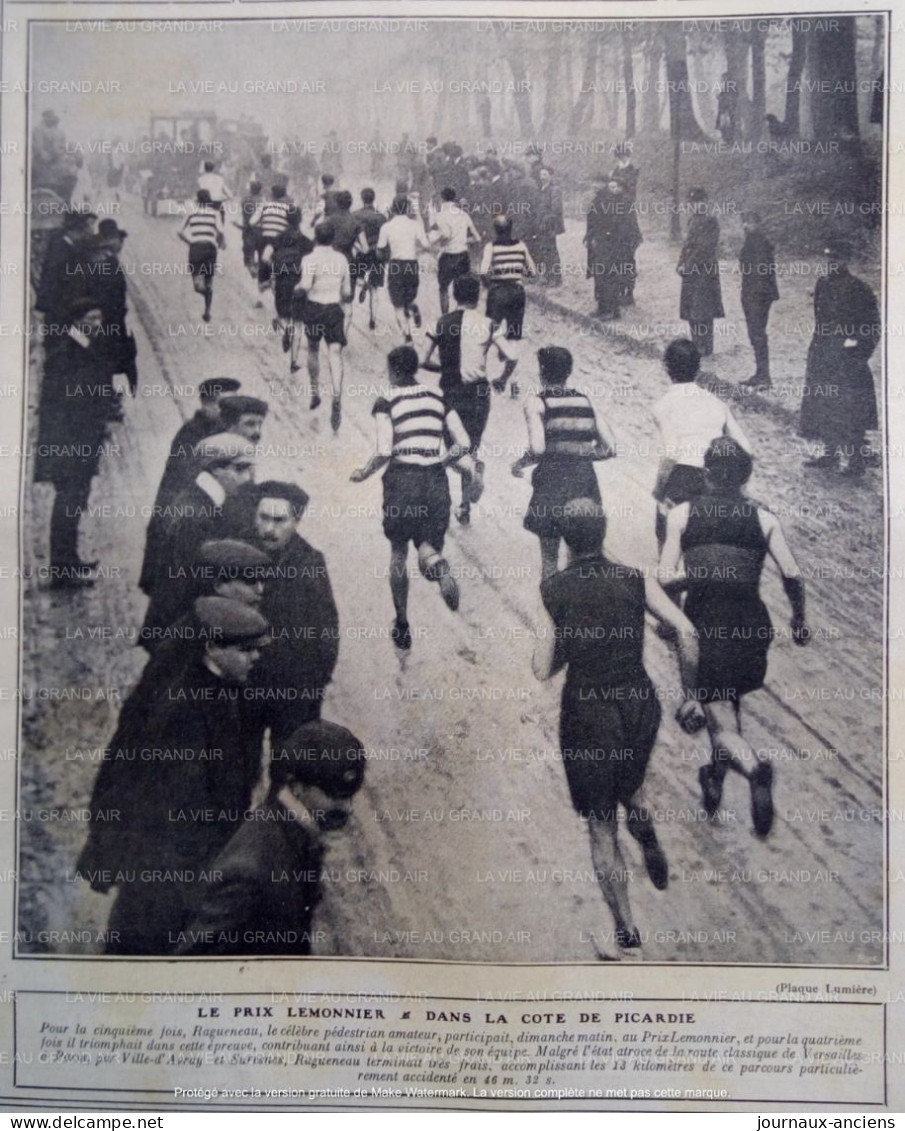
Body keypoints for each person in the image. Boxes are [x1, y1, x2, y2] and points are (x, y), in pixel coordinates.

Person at [533, 499, 700, 955]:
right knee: (631, 781)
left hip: (588, 712)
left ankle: (625, 927)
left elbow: (542, 668)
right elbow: (686, 632)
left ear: (566, 539)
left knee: (601, 823)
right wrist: (690, 696)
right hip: (638, 704)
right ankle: (643, 825)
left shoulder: (555, 588)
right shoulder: (634, 579)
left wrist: (567, 635)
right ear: (604, 529)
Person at [76, 596, 270, 955]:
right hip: (166, 876)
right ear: (212, 647)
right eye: (245, 650)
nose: (255, 658)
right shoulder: (180, 714)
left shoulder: (222, 688)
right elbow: (176, 809)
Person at [658, 438, 811, 837]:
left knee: (719, 716)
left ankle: (754, 770)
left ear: (706, 474)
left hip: (705, 623)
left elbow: (665, 576)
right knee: (726, 707)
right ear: (746, 477)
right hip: (751, 624)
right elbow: (792, 575)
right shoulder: (764, 519)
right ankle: (713, 775)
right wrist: (799, 620)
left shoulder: (683, 515)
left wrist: (678, 603)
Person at [174, 720, 366, 957]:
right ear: (298, 786)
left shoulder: (297, 834)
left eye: (349, 796)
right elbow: (192, 962)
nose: (347, 808)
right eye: (333, 795)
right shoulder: (249, 872)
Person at [350, 345, 481, 649]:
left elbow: (384, 450)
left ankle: (403, 622)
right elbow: (463, 441)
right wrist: (445, 462)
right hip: (434, 479)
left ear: (393, 370)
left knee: (398, 552)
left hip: (402, 480)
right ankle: (439, 567)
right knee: (427, 546)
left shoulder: (387, 400)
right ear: (415, 369)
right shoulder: (438, 397)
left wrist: (364, 472)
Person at [234, 480, 339, 747]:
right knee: (237, 761)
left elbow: (326, 630)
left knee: (289, 762)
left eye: (280, 520)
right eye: (264, 518)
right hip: (244, 684)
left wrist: (314, 686)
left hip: (291, 688)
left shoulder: (310, 563)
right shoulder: (237, 552)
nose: (269, 529)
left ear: (296, 521)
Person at [511, 347, 616, 580]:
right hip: (584, 481)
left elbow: (538, 449)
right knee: (580, 557)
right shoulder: (585, 400)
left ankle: (554, 608)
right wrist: (580, 454)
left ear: (542, 372)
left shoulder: (537, 403)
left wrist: (520, 463)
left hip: (552, 482)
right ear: (569, 372)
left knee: (549, 560)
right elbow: (610, 448)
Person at [421, 273, 518, 524]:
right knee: (471, 446)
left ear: (453, 296)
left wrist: (444, 368)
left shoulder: (440, 323)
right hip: (479, 393)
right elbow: (512, 355)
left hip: (451, 392)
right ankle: (465, 506)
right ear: (477, 298)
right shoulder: (488, 324)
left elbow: (423, 360)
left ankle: (461, 477)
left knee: (454, 447)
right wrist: (502, 379)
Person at [140, 433, 256, 640]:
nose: (247, 478)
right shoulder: (196, 518)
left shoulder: (198, 500)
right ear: (216, 469)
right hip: (177, 632)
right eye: (240, 468)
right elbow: (191, 584)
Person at [34, 298, 115, 589]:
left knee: (75, 503)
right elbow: (64, 405)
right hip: (69, 446)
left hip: (81, 443)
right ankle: (62, 568)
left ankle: (70, 560)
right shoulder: (67, 353)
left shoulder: (83, 348)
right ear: (79, 320)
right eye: (92, 318)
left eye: (99, 318)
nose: (97, 324)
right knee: (68, 503)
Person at [651, 338, 752, 548]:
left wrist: (659, 489)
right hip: (713, 479)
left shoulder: (662, 406)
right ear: (698, 368)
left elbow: (670, 453)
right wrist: (739, 487)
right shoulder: (717, 404)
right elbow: (746, 449)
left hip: (681, 479)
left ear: (666, 366)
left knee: (667, 540)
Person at [799, 237, 880, 476]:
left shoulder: (859, 289)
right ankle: (830, 454)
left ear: (847, 260)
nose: (832, 263)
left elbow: (872, 326)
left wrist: (857, 349)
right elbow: (820, 318)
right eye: (829, 258)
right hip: (824, 354)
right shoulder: (822, 283)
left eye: (837, 258)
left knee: (850, 409)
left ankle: (856, 462)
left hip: (847, 359)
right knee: (823, 404)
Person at [144, 377, 242, 539]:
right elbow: (188, 478)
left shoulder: (219, 431)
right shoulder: (192, 435)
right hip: (177, 522)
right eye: (228, 405)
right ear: (208, 405)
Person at [296, 219, 352, 429]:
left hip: (314, 308)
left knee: (312, 349)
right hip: (333, 309)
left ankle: (314, 391)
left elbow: (305, 285)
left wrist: (297, 290)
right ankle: (337, 395)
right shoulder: (342, 259)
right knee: (335, 354)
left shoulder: (309, 259)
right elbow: (347, 293)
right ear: (333, 238)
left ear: (315, 237)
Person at [584, 178, 642, 320]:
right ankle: (602, 307)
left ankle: (612, 311)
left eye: (616, 187)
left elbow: (625, 226)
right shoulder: (601, 200)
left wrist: (614, 241)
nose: (614, 189)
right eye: (611, 187)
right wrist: (590, 237)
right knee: (600, 277)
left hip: (614, 246)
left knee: (610, 278)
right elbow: (593, 221)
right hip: (602, 245)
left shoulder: (622, 202)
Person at [377, 195, 431, 343]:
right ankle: (412, 307)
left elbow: (380, 249)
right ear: (407, 208)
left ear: (393, 209)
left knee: (398, 304)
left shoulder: (386, 227)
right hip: (412, 265)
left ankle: (407, 337)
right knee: (409, 296)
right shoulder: (415, 225)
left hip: (395, 266)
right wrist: (417, 250)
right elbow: (426, 245)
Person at [677, 188, 724, 357]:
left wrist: (687, 265)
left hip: (704, 270)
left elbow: (704, 248)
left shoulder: (711, 221)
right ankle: (697, 344)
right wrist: (680, 263)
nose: (695, 206)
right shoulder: (692, 220)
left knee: (703, 309)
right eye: (693, 203)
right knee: (691, 308)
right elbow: (687, 245)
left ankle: (705, 347)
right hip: (691, 271)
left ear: (705, 202)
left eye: (699, 203)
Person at [738, 212, 780, 391]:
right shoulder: (752, 240)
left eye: (750, 222)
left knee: (758, 333)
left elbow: (760, 272)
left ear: (758, 223)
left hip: (758, 294)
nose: (746, 225)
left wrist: (755, 295)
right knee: (755, 333)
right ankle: (760, 374)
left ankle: (764, 377)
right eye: (744, 222)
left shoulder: (759, 242)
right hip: (753, 293)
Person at [480, 214, 536, 343]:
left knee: (490, 332)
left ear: (495, 230)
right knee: (514, 334)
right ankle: (510, 357)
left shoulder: (491, 247)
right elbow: (533, 272)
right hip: (517, 291)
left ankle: (486, 359)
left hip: (497, 292)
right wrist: (519, 273)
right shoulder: (521, 245)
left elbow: (483, 272)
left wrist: (488, 286)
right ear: (511, 228)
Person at [270, 207, 313, 364]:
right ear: (300, 220)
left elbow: (268, 258)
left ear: (286, 219)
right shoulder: (307, 242)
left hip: (282, 281)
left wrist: (272, 276)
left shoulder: (278, 238)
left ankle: (283, 326)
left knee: (283, 315)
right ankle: (294, 360)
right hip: (299, 283)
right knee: (297, 321)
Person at [429, 186, 480, 314]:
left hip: (448, 255)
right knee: (462, 288)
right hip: (463, 255)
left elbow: (445, 235)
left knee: (443, 289)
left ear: (442, 199)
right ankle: (462, 317)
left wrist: (436, 240)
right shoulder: (464, 214)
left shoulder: (440, 216)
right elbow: (477, 238)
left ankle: (445, 317)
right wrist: (464, 240)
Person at [178, 188, 225, 323]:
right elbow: (220, 231)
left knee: (198, 285)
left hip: (196, 249)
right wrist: (220, 242)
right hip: (210, 249)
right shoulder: (215, 213)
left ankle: (207, 310)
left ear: (197, 200)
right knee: (208, 281)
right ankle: (208, 302)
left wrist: (190, 242)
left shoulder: (191, 213)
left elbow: (180, 231)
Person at [250, 182, 294, 303]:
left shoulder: (264, 206)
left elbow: (252, 222)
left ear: (272, 194)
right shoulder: (289, 209)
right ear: (284, 196)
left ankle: (260, 298)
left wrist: (263, 225)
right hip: (282, 242)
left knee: (262, 266)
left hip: (266, 240)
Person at [351, 187, 386, 332]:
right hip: (376, 254)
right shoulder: (381, 217)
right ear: (374, 198)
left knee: (356, 279)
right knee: (375, 289)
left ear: (361, 198)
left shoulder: (354, 215)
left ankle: (363, 282)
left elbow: (352, 236)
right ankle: (372, 319)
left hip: (361, 253)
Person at [535, 167, 565, 288]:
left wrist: (546, 220)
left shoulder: (554, 189)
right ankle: (547, 276)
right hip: (541, 224)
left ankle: (555, 278)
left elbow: (556, 209)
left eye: (545, 174)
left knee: (551, 250)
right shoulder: (541, 189)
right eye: (541, 174)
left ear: (551, 176)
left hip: (550, 225)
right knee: (544, 250)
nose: (542, 177)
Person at [236, 179, 263, 276]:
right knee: (261, 248)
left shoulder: (245, 199)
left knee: (248, 247)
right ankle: (259, 265)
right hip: (260, 228)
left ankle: (251, 264)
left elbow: (243, 212)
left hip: (247, 227)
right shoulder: (262, 201)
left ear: (251, 189)